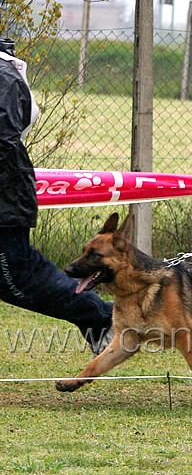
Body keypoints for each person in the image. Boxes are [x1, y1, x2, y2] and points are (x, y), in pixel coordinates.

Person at [0, 38, 112, 356]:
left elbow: (3, 137)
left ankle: (102, 318)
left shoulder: (3, 76)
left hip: (4, 197)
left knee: (18, 277)